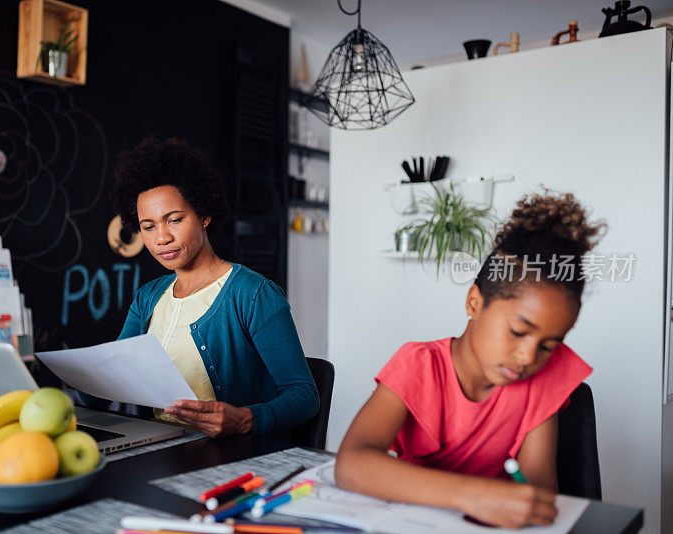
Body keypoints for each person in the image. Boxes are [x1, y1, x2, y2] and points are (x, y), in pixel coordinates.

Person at [335, 191, 606, 528]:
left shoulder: (543, 377)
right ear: (474, 304)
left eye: (548, 345)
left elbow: (538, 486)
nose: (528, 358)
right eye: (518, 332)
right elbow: (352, 464)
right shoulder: (418, 365)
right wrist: (473, 494)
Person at [82, 136, 318, 440]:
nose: (161, 238)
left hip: (229, 459)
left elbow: (305, 395)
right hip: (158, 451)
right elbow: (107, 383)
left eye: (174, 220)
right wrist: (83, 380)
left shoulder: (252, 294)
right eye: (148, 226)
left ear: (204, 215)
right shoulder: (148, 298)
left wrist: (246, 419)